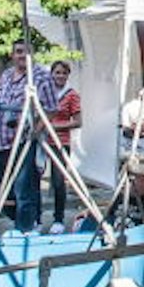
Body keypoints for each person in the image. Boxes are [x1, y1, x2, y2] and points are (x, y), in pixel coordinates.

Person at [0, 40, 58, 230]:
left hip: (22, 141)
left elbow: (51, 109)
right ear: (12, 54)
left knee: (23, 189)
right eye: (18, 52)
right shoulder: (7, 75)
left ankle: (25, 229)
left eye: (26, 52)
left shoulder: (41, 76)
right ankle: (29, 219)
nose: (21, 56)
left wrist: (35, 129)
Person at [46, 60, 82, 229]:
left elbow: (77, 121)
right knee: (33, 178)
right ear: (51, 74)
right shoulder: (45, 92)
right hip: (42, 140)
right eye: (57, 72)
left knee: (58, 181)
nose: (60, 76)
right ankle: (35, 218)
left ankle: (58, 219)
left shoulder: (72, 95)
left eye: (63, 73)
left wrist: (54, 126)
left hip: (60, 141)